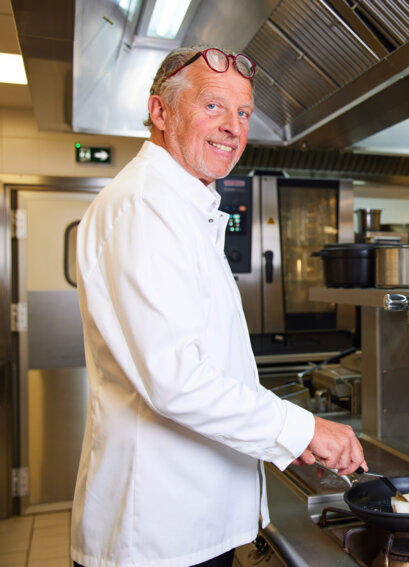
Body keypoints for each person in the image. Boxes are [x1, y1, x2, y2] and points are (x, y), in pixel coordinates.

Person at [70, 46, 367, 567]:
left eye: (244, 112)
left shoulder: (183, 206)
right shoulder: (146, 207)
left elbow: (204, 362)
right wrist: (300, 428)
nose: (232, 127)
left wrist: (283, 438)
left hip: (188, 526)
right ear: (161, 112)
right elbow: (176, 379)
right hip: (158, 536)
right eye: (212, 106)